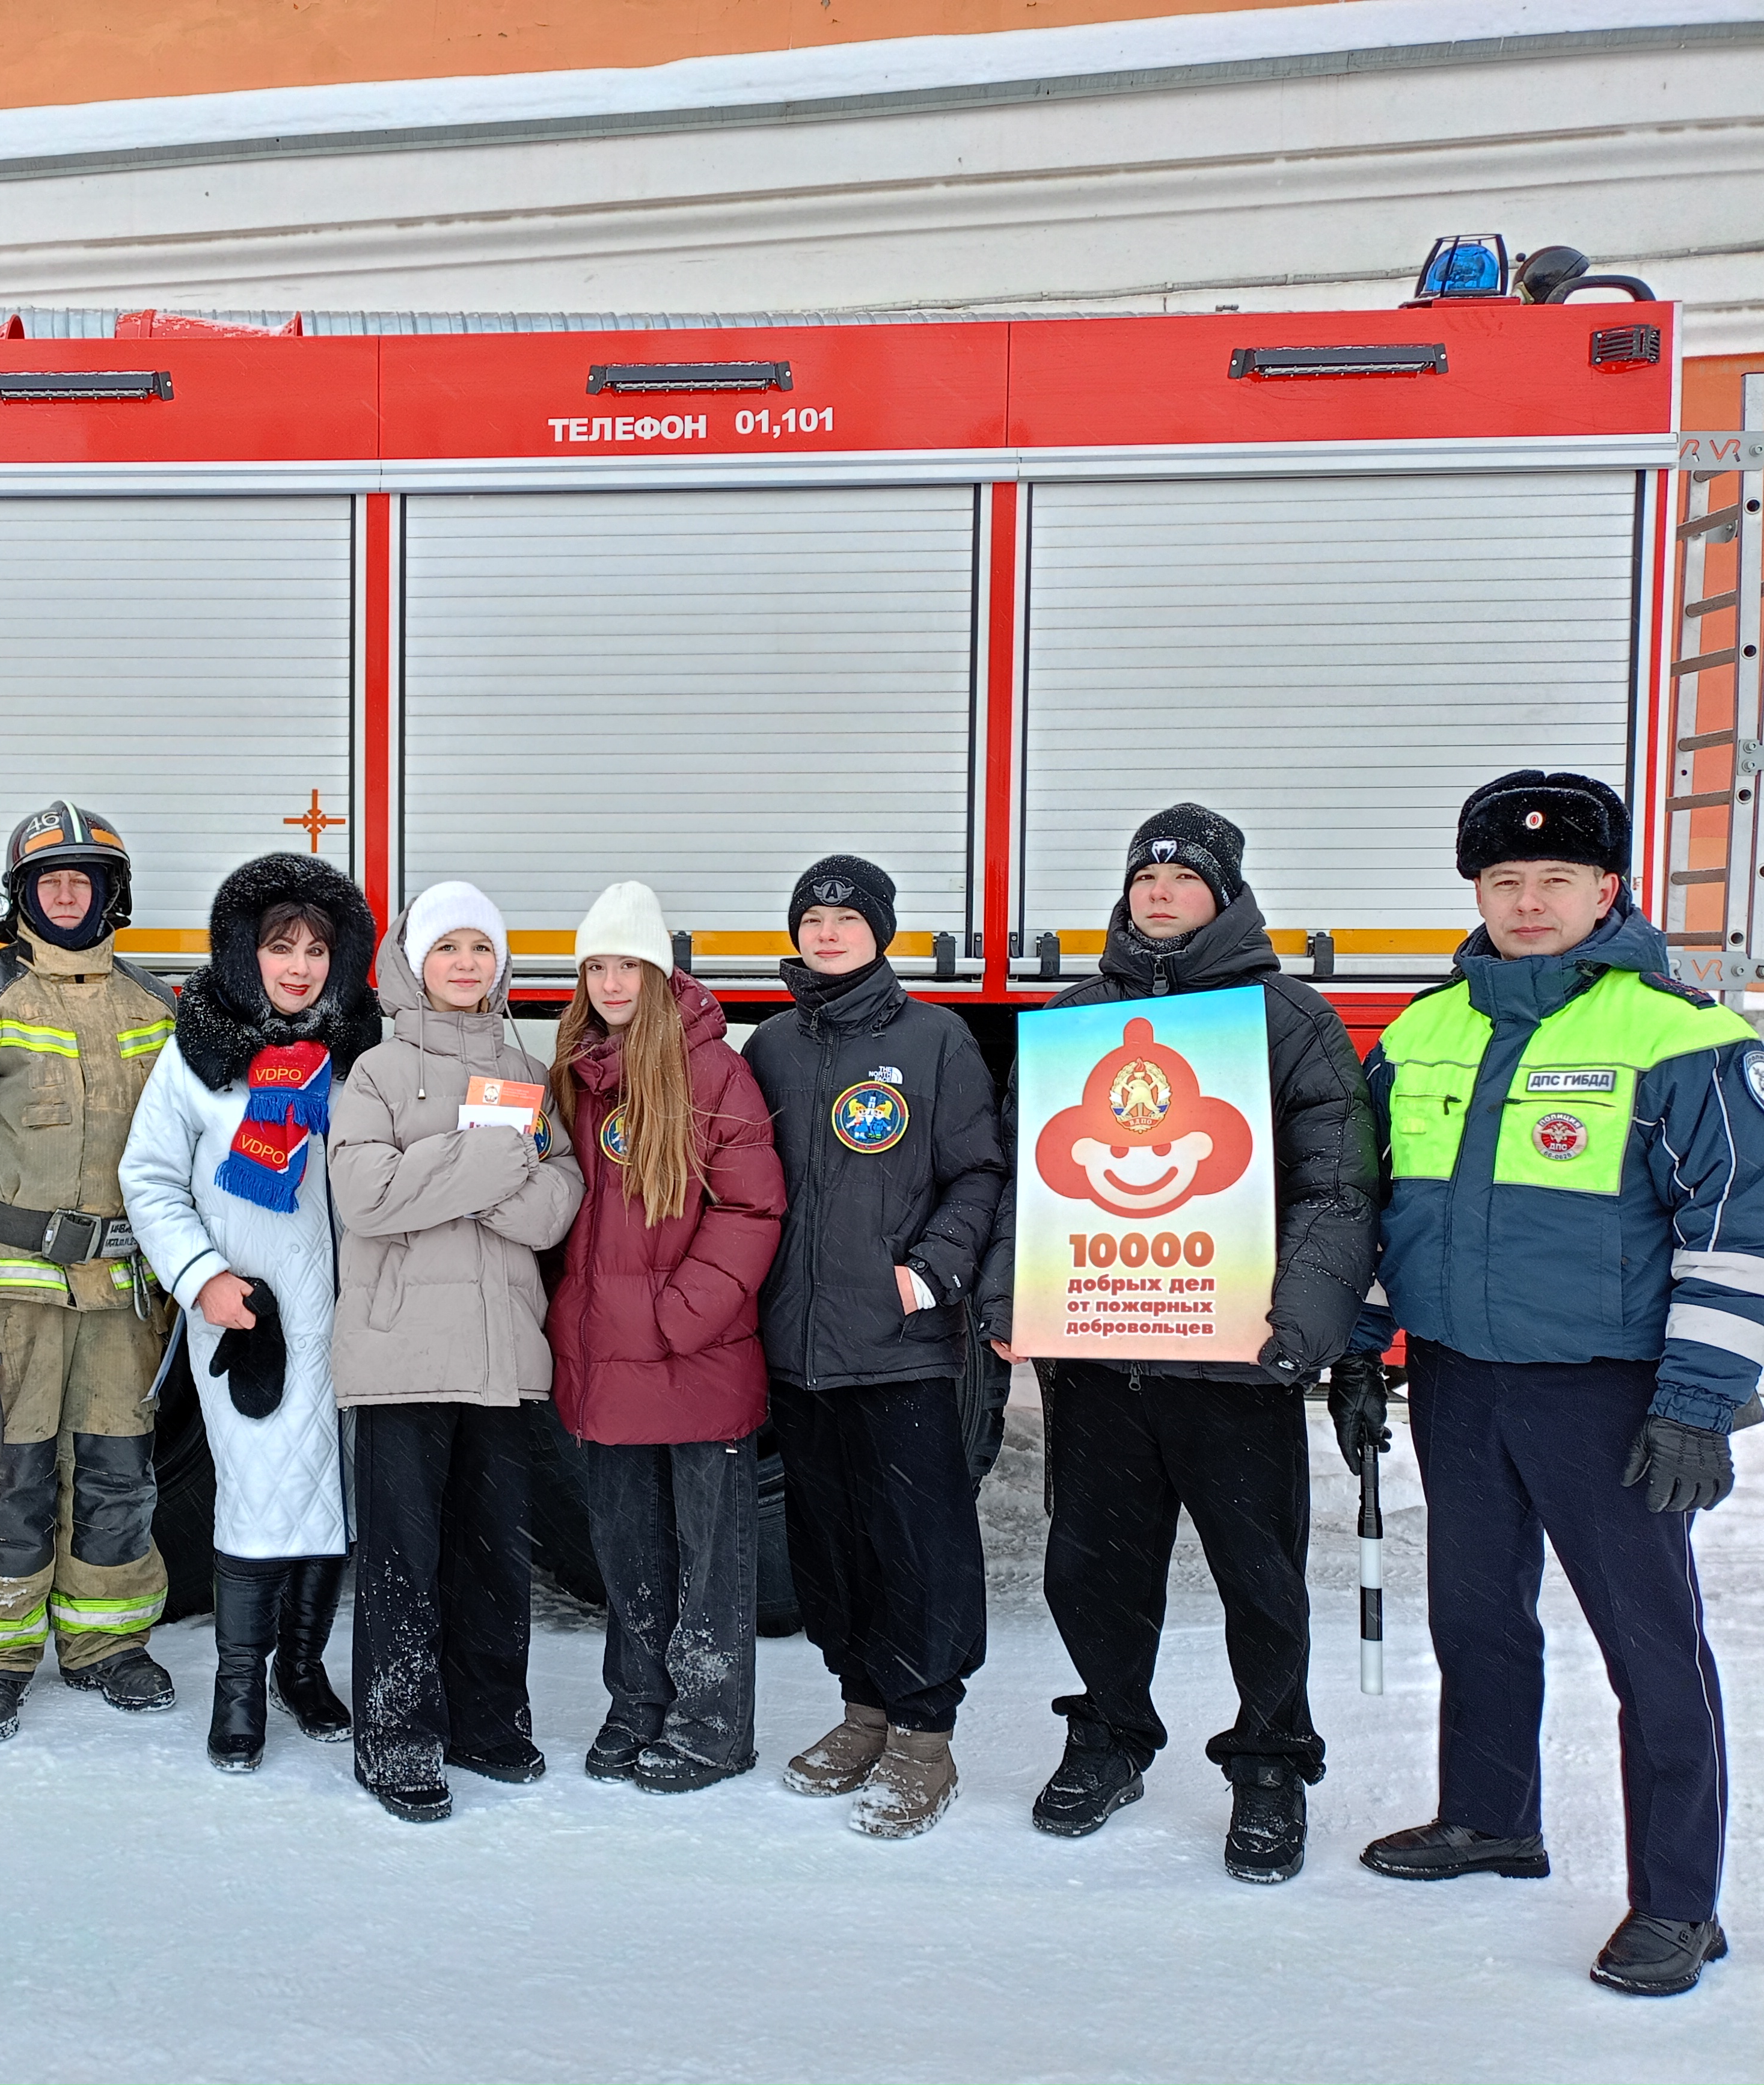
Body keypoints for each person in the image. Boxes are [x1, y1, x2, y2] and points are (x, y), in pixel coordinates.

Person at [1344, 771, 1756, 1997]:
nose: (1529, 902)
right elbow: (1383, 1209)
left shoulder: (1680, 1038)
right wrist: (1362, 1347)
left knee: (1650, 1650)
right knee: (1475, 1616)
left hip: (1608, 1393)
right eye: (1504, 880)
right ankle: (1490, 1818)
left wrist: (1696, 1402)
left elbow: (1736, 1230)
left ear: (1607, 888)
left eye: (1556, 879)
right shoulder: (1422, 1032)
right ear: (1475, 890)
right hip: (1459, 1381)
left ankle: (1677, 1903)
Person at [979, 804, 1377, 1884]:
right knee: (1091, 1569)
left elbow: (1338, 1187)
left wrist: (1302, 1320)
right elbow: (1027, 1179)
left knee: (1260, 1577)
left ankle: (1271, 1762)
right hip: (1100, 1353)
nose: (1160, 893)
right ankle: (1111, 1733)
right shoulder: (1075, 1020)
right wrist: (1010, 1296)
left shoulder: (1288, 1020)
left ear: (1225, 894)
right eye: (1145, 877)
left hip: (1233, 1360)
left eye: (1185, 878)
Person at [0, 802, 181, 1744]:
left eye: (81, 881)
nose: (65, 895)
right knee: (9, 1480)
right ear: (19, 896)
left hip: (122, 1293)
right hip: (7, 1290)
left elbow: (183, 1154)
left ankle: (109, 1643)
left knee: (118, 1475)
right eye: (49, 881)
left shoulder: (155, 1007)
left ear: (111, 896)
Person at [746, 854, 1003, 1836]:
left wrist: (928, 1273)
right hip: (798, 1349)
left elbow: (978, 1172)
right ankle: (863, 1713)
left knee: (919, 1544)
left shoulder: (934, 1039)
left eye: (847, 919)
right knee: (830, 1545)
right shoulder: (771, 1045)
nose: (827, 933)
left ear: (880, 934)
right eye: (812, 919)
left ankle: (924, 1738)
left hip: (899, 1345)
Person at [120, 853, 383, 1771]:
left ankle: (302, 1671)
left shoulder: (359, 1057)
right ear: (246, 953)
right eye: (281, 947)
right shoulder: (201, 1057)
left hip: (349, 1322)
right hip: (248, 1318)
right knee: (259, 1497)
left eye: (317, 949)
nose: (299, 967)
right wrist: (202, 1279)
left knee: (334, 1498)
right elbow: (150, 1179)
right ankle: (240, 1688)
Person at [331, 880, 584, 1822]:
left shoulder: (525, 1070)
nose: (466, 964)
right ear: (414, 963)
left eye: (481, 948)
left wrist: (449, 1185)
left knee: (492, 1554)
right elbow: (365, 1197)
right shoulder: (377, 1073)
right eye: (448, 948)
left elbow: (556, 1207)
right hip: (401, 1351)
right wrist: (490, 1163)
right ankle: (396, 1739)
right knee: (402, 1557)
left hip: (500, 1352)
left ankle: (488, 1722)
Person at [546, 883, 784, 1795]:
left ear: (660, 972)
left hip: (695, 1360)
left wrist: (679, 1316)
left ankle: (713, 1728)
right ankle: (636, 1706)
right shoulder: (574, 1074)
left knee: (710, 1560)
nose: (611, 983)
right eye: (596, 967)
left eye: (629, 965)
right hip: (608, 1362)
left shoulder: (712, 1071)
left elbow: (751, 1208)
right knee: (627, 1552)